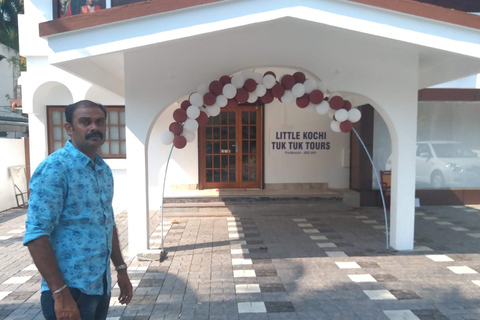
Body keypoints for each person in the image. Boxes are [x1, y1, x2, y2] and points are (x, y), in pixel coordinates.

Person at [23, 100, 133, 320]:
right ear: (69, 129)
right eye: (85, 122)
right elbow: (36, 234)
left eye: (99, 122)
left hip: (99, 285)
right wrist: (60, 293)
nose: (94, 127)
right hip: (69, 290)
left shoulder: (102, 170)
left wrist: (120, 269)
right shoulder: (55, 169)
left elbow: (107, 223)